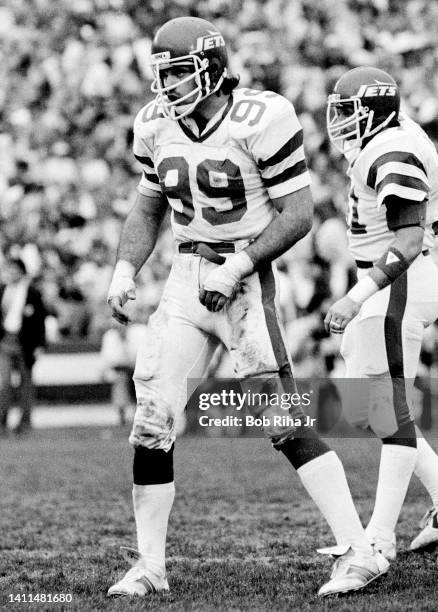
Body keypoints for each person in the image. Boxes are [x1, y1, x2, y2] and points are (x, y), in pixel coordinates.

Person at [106, 17, 388, 599]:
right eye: (161, 75)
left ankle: (360, 550)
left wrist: (236, 268)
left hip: (245, 272)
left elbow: (298, 213)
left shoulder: (263, 116)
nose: (167, 87)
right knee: (152, 421)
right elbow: (147, 208)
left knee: (279, 419)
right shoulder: (155, 123)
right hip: (186, 276)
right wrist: (124, 269)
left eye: (178, 73)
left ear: (211, 67)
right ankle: (150, 566)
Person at [325, 66, 438, 559]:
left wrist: (357, 294)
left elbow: (409, 241)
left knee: (387, 410)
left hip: (400, 277)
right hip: (391, 277)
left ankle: (377, 539)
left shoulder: (392, 150)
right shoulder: (391, 136)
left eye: (348, 112)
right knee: (368, 407)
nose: (339, 122)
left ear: (374, 110)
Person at [0, 257, 47, 434]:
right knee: (3, 383)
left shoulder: (32, 293)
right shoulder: (3, 290)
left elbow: (40, 320)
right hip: (5, 341)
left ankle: (24, 421)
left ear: (21, 271)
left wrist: (40, 345)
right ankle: (2, 420)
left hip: (25, 343)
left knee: (25, 383)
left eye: (13, 269)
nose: (10, 273)